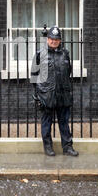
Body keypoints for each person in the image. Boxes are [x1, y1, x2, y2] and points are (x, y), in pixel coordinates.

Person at [31, 26, 79, 157]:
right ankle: (48, 147)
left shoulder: (65, 54)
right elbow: (34, 75)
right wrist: (36, 96)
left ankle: (67, 147)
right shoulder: (40, 54)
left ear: (60, 40)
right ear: (47, 39)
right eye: (51, 39)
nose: (53, 41)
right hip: (46, 95)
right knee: (47, 122)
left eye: (56, 39)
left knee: (64, 122)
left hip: (63, 94)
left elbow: (68, 72)